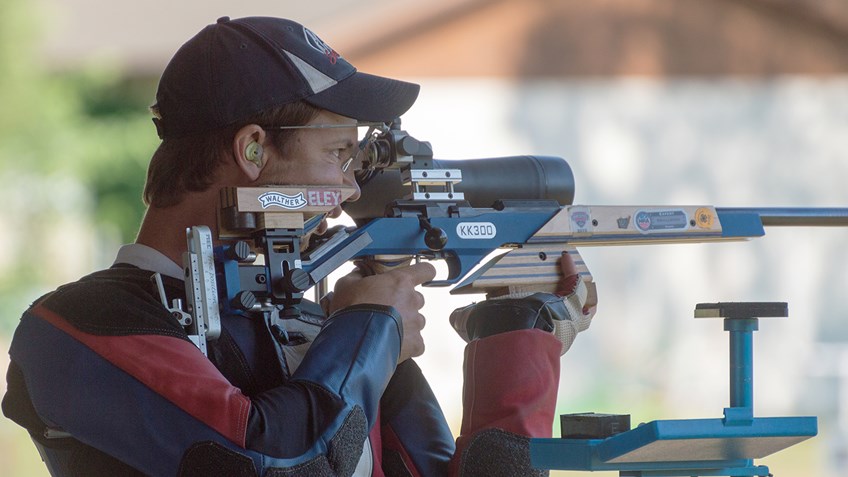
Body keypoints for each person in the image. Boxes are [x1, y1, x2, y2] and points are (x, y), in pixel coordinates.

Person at [2, 16, 596, 477]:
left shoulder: (317, 328)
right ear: (253, 150)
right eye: (337, 155)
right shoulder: (77, 328)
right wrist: (370, 327)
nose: (346, 191)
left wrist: (519, 330)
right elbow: (274, 462)